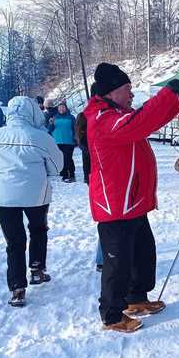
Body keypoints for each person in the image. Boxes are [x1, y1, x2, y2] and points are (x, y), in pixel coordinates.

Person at [85, 62, 179, 333]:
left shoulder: (119, 113)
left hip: (132, 203)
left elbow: (146, 119)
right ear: (111, 92)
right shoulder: (102, 118)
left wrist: (174, 103)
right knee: (117, 263)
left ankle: (136, 298)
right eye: (127, 89)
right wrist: (168, 95)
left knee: (143, 254)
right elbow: (140, 123)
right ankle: (111, 315)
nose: (132, 94)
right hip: (115, 205)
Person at [0, 96, 64, 307]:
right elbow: (56, 166)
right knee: (38, 229)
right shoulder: (41, 137)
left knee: (14, 241)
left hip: (3, 196)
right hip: (36, 194)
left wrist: (1, 175)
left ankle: (17, 288)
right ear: (33, 112)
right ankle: (36, 269)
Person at [75, 83, 103, 271]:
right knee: (106, 216)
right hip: (94, 170)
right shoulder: (84, 116)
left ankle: (103, 257)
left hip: (101, 170)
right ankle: (102, 258)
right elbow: (83, 144)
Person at [48, 101, 76, 182]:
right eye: (60, 107)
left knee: (68, 158)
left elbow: (75, 128)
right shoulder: (54, 118)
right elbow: (50, 129)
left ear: (66, 108)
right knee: (61, 158)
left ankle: (71, 174)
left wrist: (75, 137)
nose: (61, 109)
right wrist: (51, 124)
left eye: (63, 107)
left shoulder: (71, 117)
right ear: (58, 109)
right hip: (57, 142)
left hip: (69, 141)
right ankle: (64, 174)